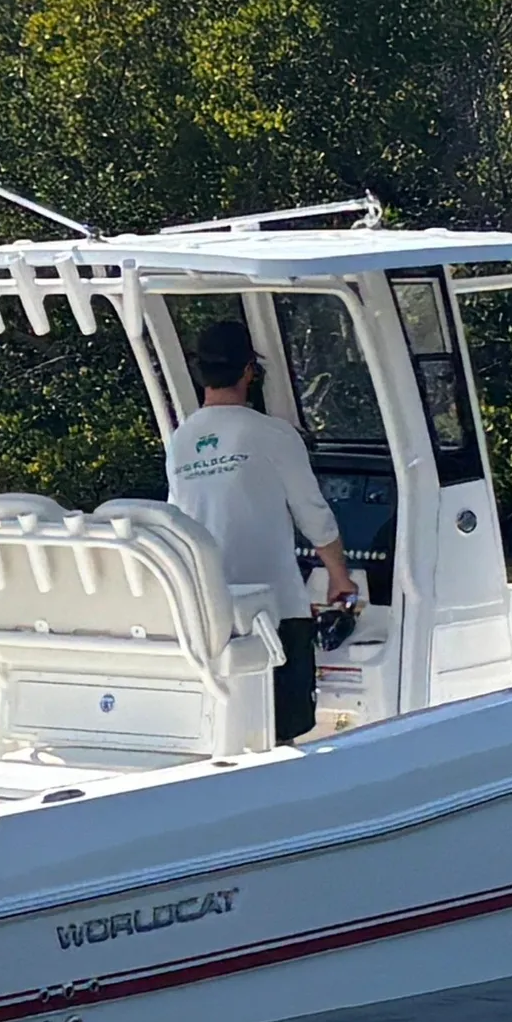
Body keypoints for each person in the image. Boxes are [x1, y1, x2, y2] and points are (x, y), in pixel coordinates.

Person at [165, 314, 359, 744]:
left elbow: (177, 522)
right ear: (250, 370)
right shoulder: (274, 434)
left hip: (209, 615)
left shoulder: (180, 441)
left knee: (230, 727)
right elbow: (313, 515)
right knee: (281, 733)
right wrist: (340, 579)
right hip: (276, 613)